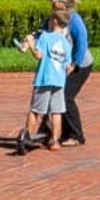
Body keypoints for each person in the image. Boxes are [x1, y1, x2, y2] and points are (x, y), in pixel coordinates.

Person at [17, 13, 71, 154]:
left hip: (44, 79)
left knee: (35, 110)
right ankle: (55, 141)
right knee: (56, 112)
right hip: (59, 82)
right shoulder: (66, 43)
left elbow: (38, 55)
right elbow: (67, 65)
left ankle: (26, 138)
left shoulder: (45, 37)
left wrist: (30, 43)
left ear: (54, 21)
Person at [53, 0, 94, 148]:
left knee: (65, 96)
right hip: (65, 64)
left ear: (63, 3)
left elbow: (82, 43)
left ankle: (77, 135)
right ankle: (60, 132)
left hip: (80, 64)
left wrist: (74, 64)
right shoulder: (55, 16)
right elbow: (43, 31)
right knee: (57, 95)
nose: (51, 0)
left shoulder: (74, 19)